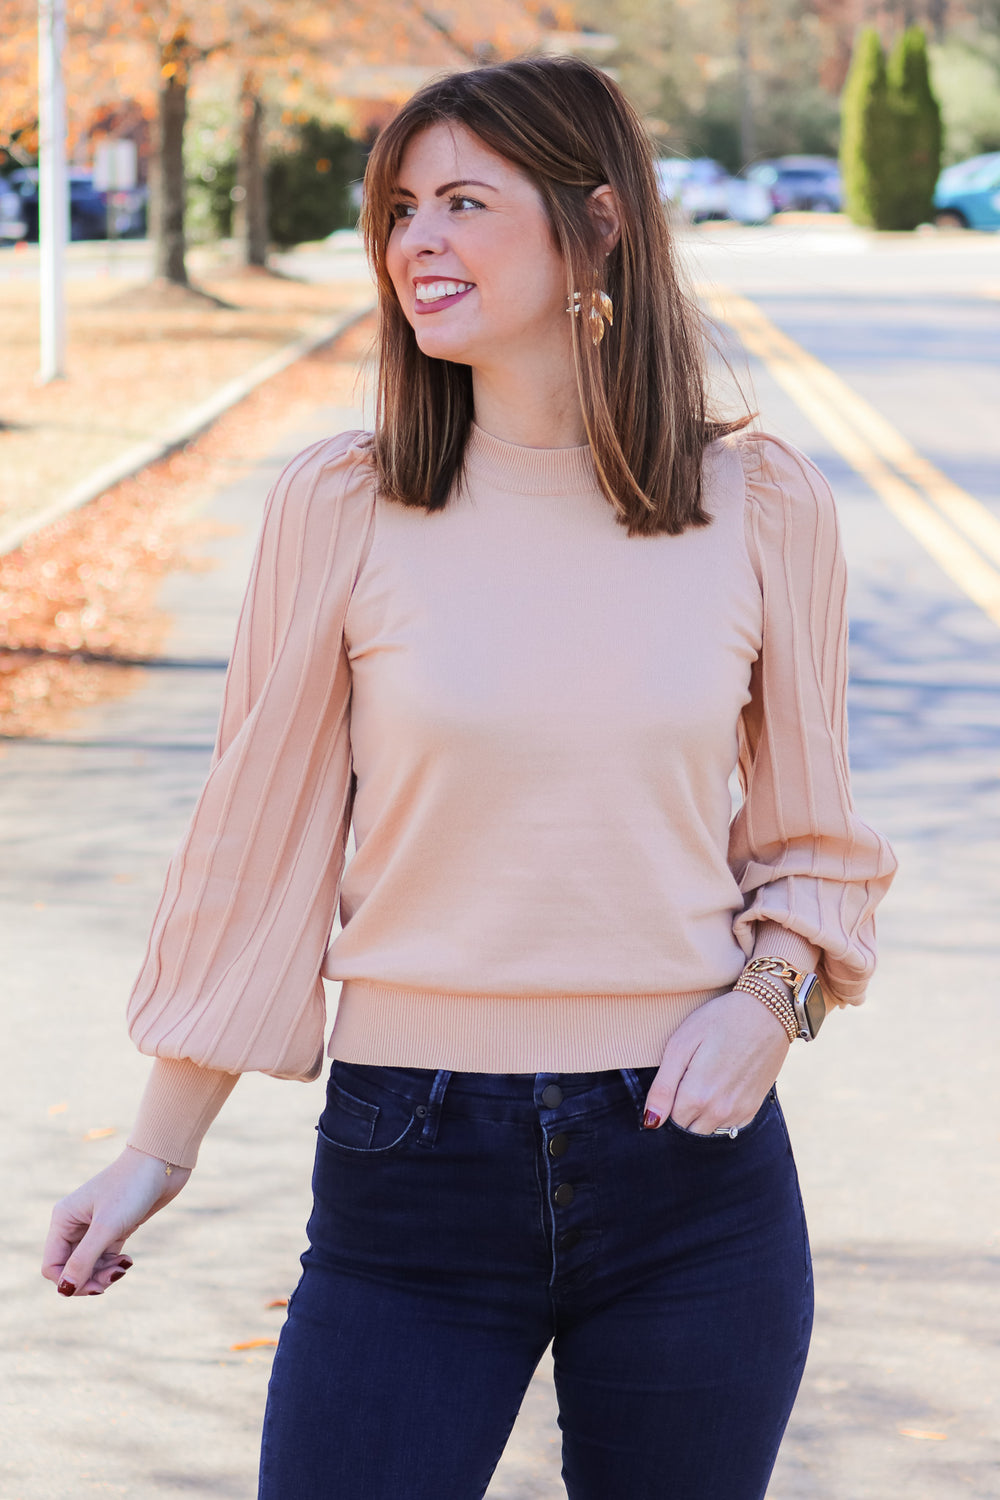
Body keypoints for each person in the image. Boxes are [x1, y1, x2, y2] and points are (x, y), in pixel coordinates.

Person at [43, 55, 896, 1500]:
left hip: (689, 1172)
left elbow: (813, 844)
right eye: (398, 210)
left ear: (599, 224)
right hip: (410, 1164)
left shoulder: (763, 509)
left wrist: (773, 998)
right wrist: (155, 1153)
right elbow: (260, 855)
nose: (413, 243)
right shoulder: (342, 506)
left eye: (462, 203)